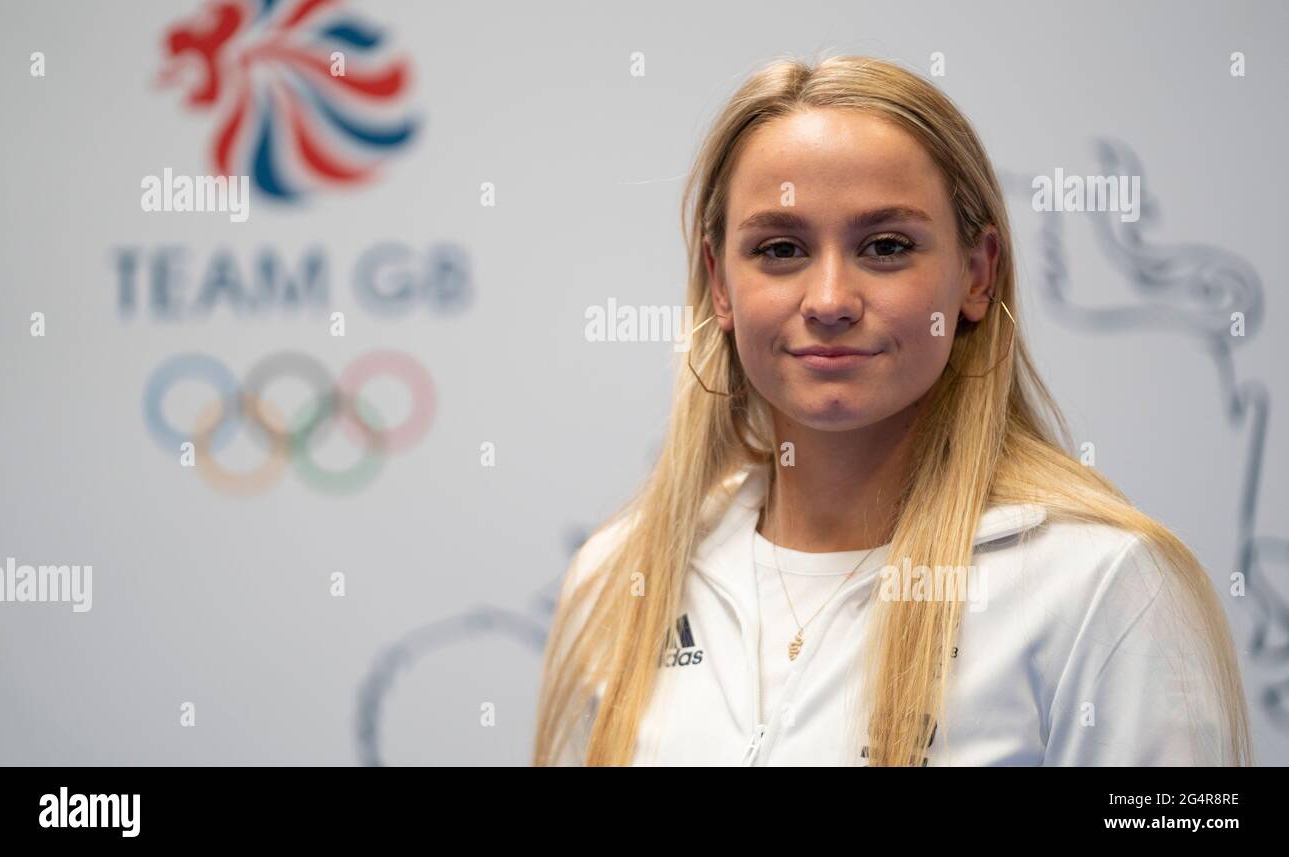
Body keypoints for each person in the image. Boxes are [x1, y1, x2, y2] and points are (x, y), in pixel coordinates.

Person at [533, 55, 1253, 766]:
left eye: (885, 246)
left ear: (977, 274)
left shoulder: (1103, 584)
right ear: (719, 282)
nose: (829, 301)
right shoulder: (618, 577)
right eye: (780, 249)